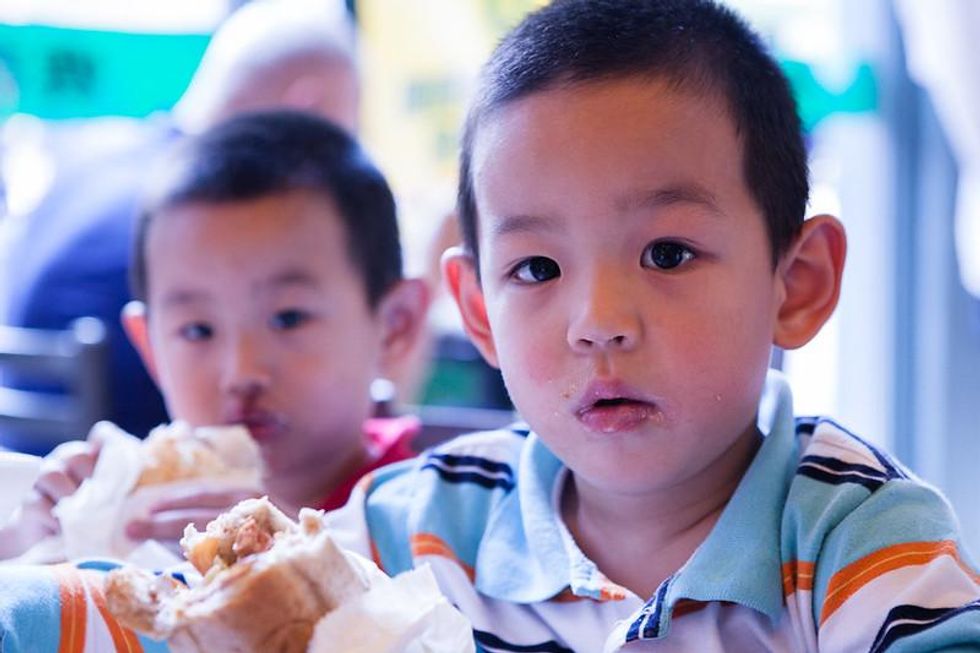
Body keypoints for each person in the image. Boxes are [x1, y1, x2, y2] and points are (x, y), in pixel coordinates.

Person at [320, 0, 980, 650]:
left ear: (796, 283)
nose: (600, 323)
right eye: (539, 267)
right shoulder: (408, 533)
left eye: (666, 254)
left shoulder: (863, 539)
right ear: (480, 311)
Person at [0, 109, 428, 562]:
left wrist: (291, 554)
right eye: (198, 330)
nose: (240, 372)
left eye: (288, 319)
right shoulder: (147, 517)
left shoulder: (429, 521)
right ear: (151, 347)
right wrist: (34, 544)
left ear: (394, 324)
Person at [0, 0, 360, 453]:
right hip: (128, 483)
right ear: (307, 110)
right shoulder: (203, 218)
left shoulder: (98, 154)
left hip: (18, 463)